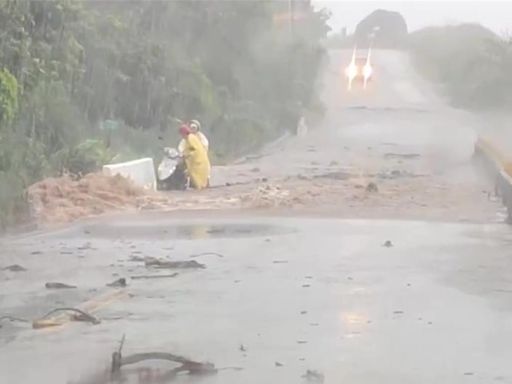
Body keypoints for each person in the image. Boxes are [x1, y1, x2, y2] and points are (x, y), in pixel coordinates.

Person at [179, 124, 210, 190]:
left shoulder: (191, 138)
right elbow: (183, 147)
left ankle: (199, 188)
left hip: (198, 162)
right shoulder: (189, 138)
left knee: (197, 178)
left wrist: (187, 155)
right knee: (192, 175)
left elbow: (195, 150)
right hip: (194, 161)